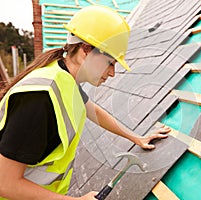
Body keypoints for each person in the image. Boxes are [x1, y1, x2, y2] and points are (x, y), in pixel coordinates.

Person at [0, 5, 170, 200]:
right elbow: (5, 184)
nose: (112, 73)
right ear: (86, 51)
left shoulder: (63, 79)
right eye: (110, 63)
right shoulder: (39, 99)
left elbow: (94, 111)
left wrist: (135, 138)